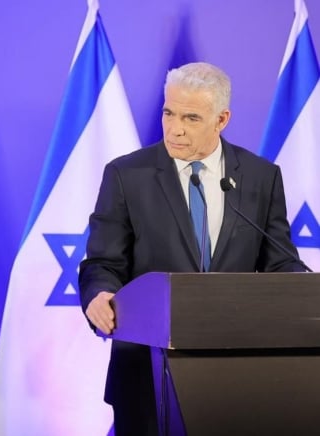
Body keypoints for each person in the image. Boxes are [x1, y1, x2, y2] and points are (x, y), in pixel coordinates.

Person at [78, 62, 305, 436]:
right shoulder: (126, 175)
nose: (175, 128)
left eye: (191, 118)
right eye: (169, 113)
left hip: (238, 374)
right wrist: (99, 293)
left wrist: (306, 294)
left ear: (221, 120)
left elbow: (280, 262)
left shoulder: (260, 177)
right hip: (146, 375)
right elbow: (103, 262)